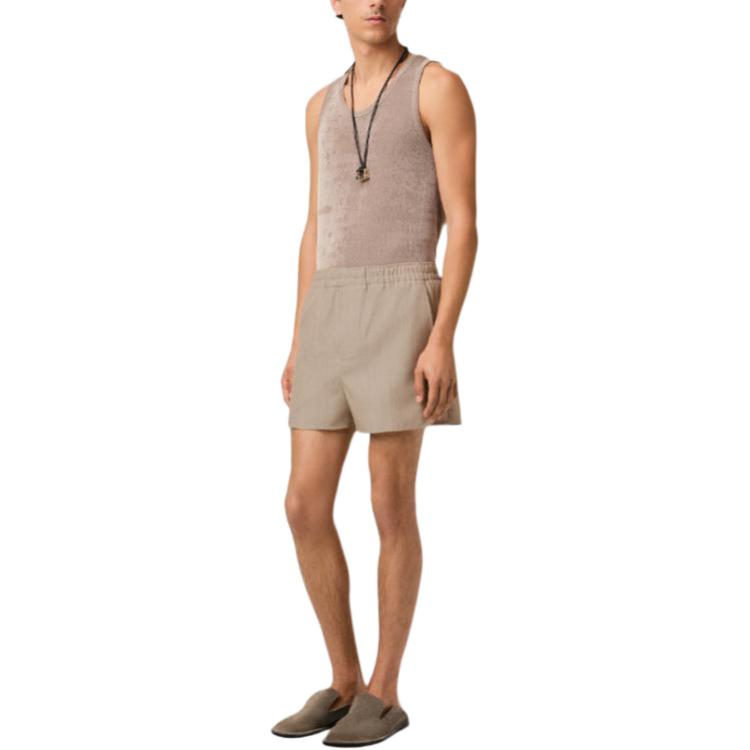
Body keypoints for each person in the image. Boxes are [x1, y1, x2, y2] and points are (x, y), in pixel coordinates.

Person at [274, 1, 477, 745]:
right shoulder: (319, 107)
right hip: (329, 306)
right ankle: (344, 681)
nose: (374, 1)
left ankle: (385, 692)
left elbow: (464, 224)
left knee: (390, 502)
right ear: (332, 2)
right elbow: (316, 225)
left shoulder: (437, 85)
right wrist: (300, 335)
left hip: (402, 301)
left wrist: (442, 337)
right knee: (303, 504)